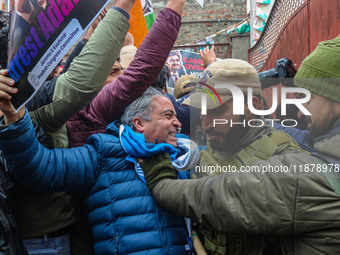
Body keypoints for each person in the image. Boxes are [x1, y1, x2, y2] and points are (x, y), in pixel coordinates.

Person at [137, 35, 340, 254]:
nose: (206, 125)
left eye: (217, 111)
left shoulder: (283, 157)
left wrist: (161, 183)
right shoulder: (210, 150)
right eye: (203, 112)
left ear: (251, 106)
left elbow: (215, 196)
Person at [0, 2, 133, 254]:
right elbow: (78, 83)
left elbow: (73, 78)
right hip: (39, 240)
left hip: (49, 233)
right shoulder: (24, 107)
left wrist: (89, 37)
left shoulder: (31, 101)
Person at [0, 86, 197, 255]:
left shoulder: (185, 160)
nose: (178, 123)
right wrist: (15, 118)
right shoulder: (103, 153)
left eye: (176, 117)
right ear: (139, 123)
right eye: (168, 116)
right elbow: (41, 167)